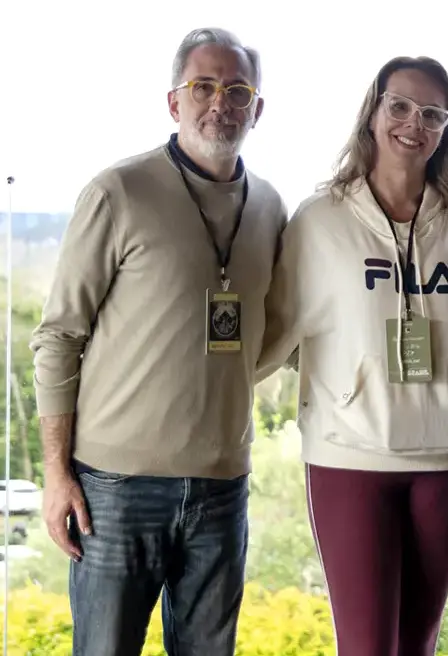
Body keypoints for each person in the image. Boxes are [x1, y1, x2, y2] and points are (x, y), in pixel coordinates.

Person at [29, 27, 286, 656]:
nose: (220, 102)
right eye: (203, 86)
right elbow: (59, 336)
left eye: (237, 90)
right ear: (174, 102)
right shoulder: (118, 191)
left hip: (223, 487)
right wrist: (56, 473)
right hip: (116, 488)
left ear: (257, 109)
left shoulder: (270, 207)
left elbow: (274, 333)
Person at [256, 55, 448, 656]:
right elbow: (274, 335)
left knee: (417, 644)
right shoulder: (320, 221)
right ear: (373, 114)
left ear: (447, 129)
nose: (413, 124)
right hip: (349, 458)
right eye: (399, 106)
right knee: (367, 646)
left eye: (433, 114)